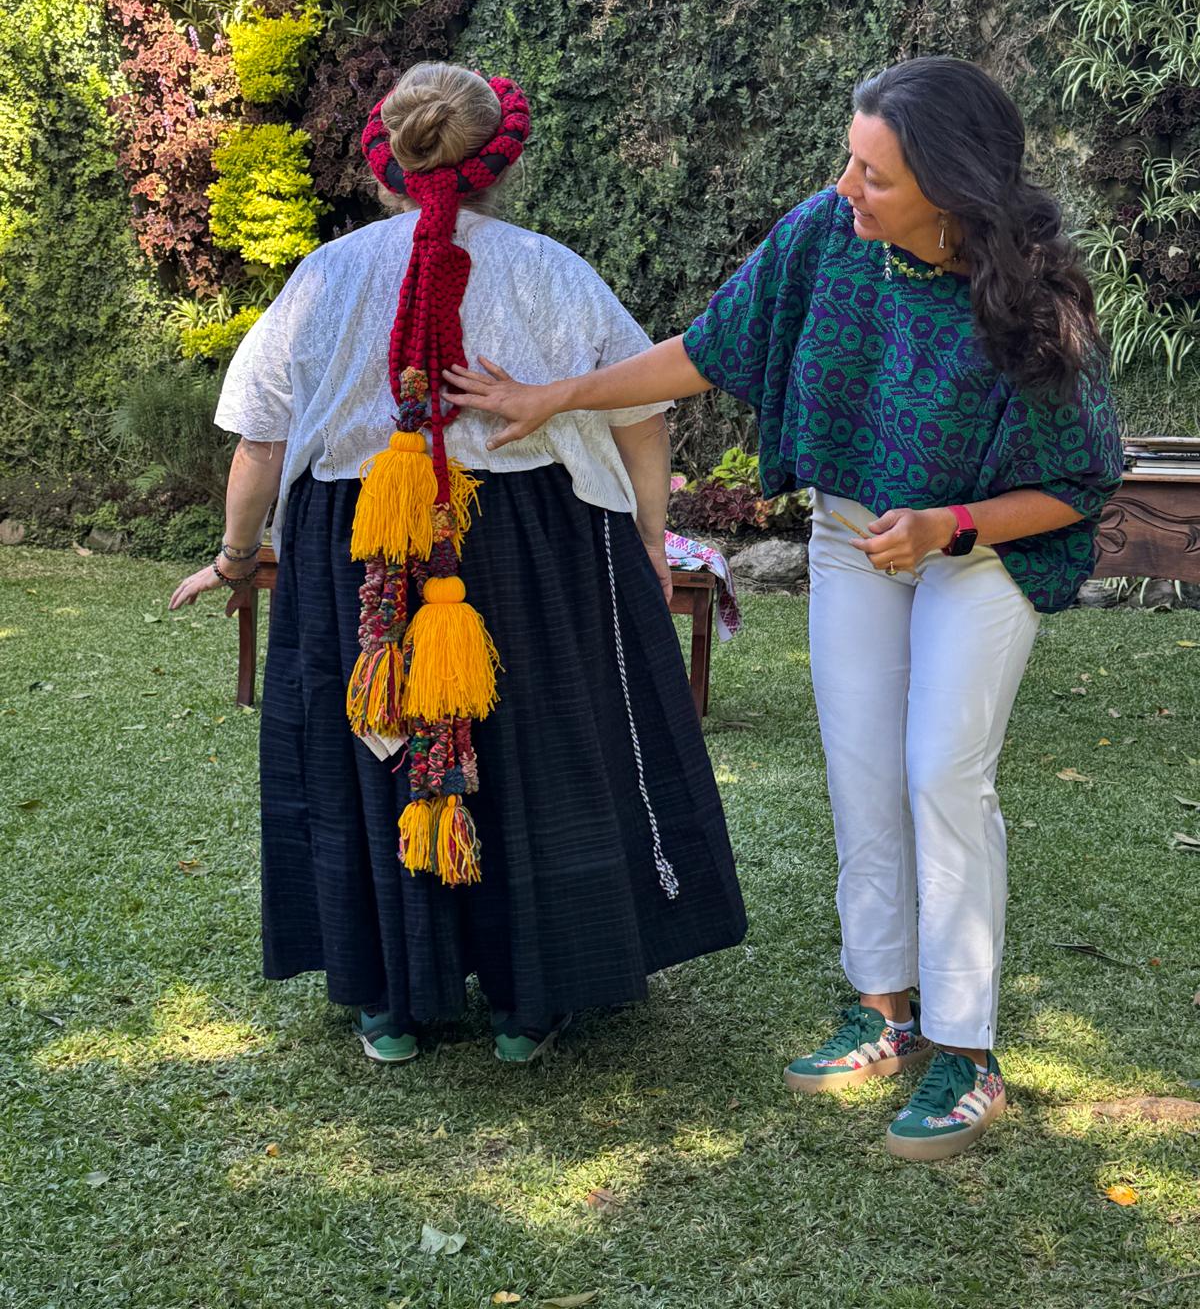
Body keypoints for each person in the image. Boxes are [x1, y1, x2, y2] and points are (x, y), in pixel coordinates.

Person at [444, 56, 1124, 1155]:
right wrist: (556, 394)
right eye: (849, 161)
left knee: (941, 772)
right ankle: (884, 1009)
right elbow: (710, 350)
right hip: (859, 535)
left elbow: (1077, 483)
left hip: (977, 548)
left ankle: (967, 1052)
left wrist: (949, 525)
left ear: (950, 189)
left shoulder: (1032, 300)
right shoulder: (824, 235)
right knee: (862, 769)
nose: (846, 187)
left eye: (876, 175)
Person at [169, 62, 746, 1065]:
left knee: (372, 750)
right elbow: (643, 414)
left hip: (362, 545)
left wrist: (235, 556)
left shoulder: (325, 279)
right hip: (533, 540)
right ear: (499, 165)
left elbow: (259, 441)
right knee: (536, 757)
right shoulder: (552, 271)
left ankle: (391, 1002)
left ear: (385, 159)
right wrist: (652, 546)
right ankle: (530, 1002)